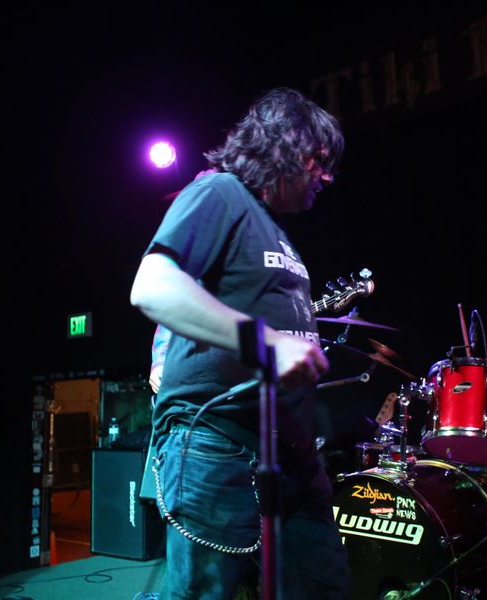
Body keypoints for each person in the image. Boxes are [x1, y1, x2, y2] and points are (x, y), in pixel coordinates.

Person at [130, 88, 349, 599]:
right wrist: (265, 343)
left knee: (324, 587)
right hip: (219, 442)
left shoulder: (276, 229)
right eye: (320, 160)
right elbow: (152, 286)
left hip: (291, 452)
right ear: (288, 145)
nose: (327, 176)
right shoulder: (219, 192)